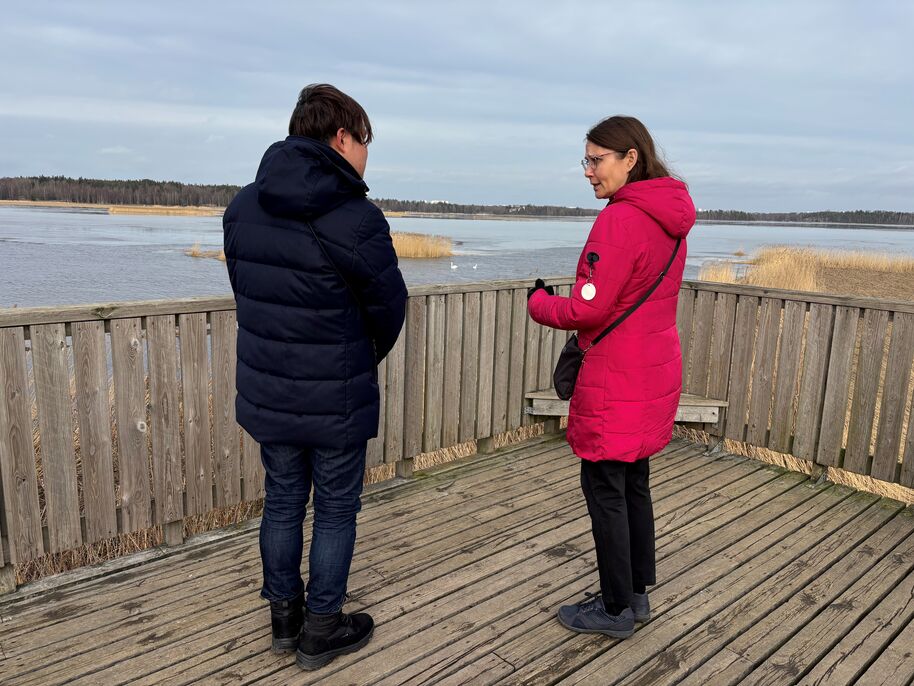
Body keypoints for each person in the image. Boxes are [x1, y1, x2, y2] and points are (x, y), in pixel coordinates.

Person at [223, 84, 407, 670]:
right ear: (342, 137)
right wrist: (357, 357)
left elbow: (249, 293)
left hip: (270, 390)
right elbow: (389, 307)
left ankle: (284, 620)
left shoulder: (242, 208)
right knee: (333, 508)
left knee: (281, 502)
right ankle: (321, 627)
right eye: (365, 141)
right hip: (336, 395)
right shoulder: (357, 217)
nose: (366, 154)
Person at [527, 115, 695, 638]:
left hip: (617, 377)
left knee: (605, 488)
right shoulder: (670, 218)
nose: (588, 171)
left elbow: (587, 309)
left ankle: (616, 608)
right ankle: (636, 593)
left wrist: (539, 304)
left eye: (597, 160)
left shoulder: (620, 220)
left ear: (630, 159)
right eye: (587, 160)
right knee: (634, 482)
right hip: (651, 370)